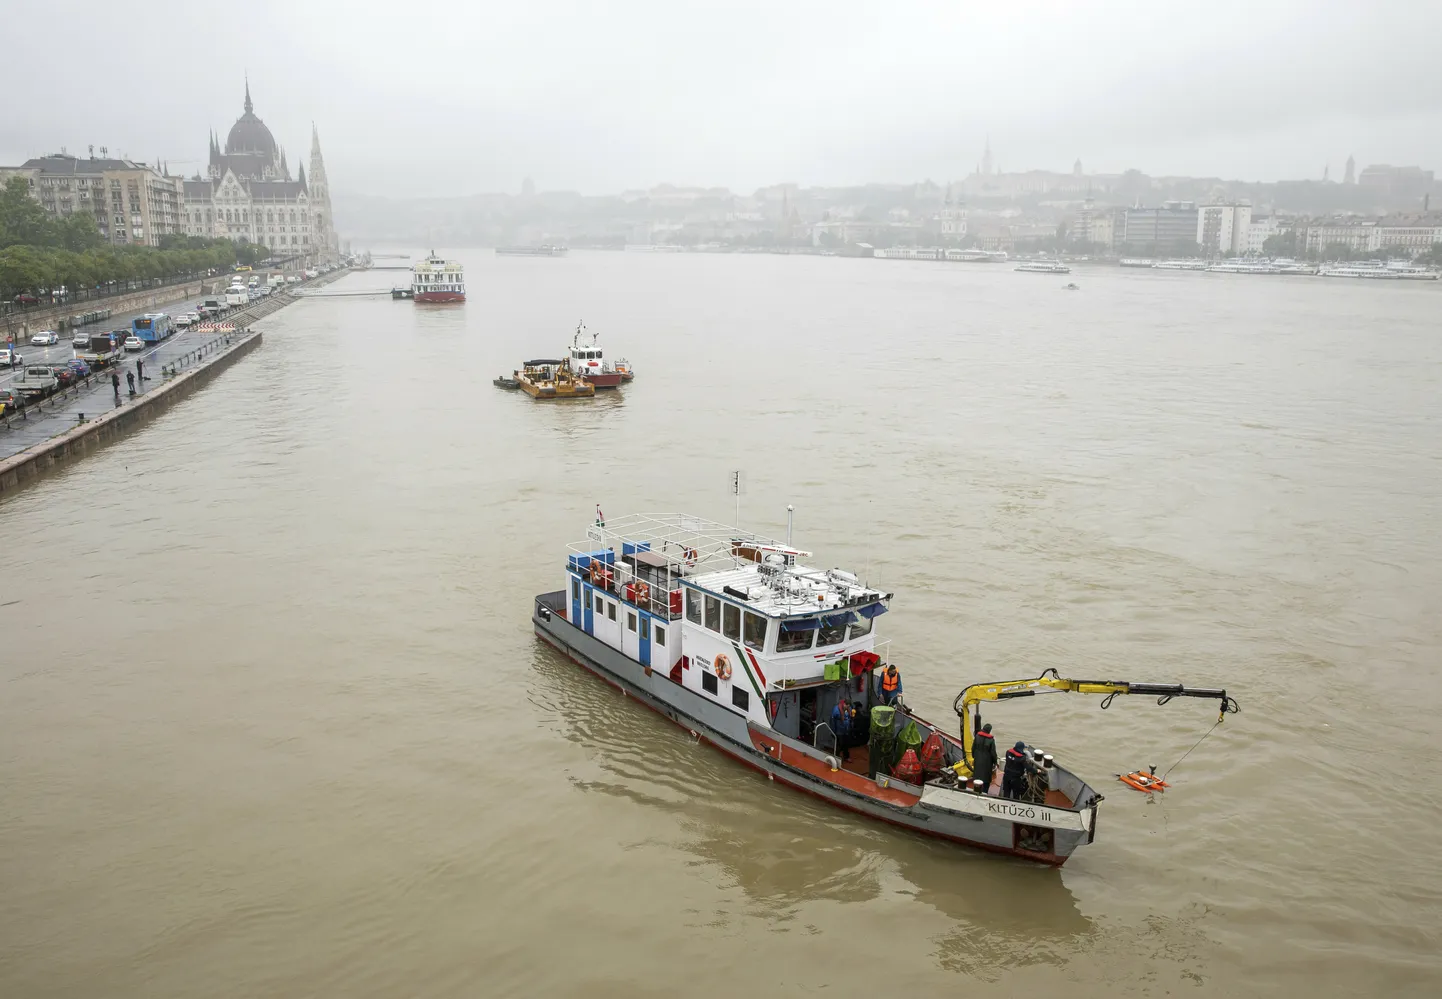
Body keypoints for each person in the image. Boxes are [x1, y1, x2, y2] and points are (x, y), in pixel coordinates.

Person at [971, 722, 999, 794]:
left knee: (977, 775)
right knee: (986, 778)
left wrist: (974, 757)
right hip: (987, 762)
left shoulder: (977, 736)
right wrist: (995, 762)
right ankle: (984, 792)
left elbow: (973, 748)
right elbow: (993, 753)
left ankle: (976, 791)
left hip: (977, 759)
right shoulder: (991, 740)